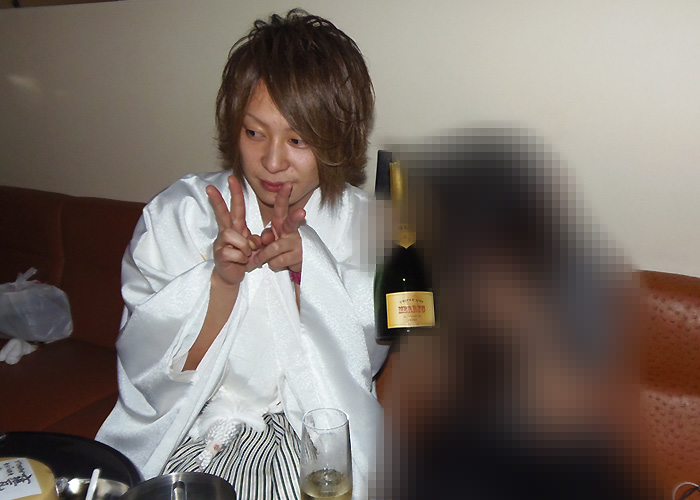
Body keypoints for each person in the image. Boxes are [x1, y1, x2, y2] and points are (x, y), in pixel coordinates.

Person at [96, 10, 388, 500]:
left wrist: (308, 272)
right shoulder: (180, 215)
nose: (272, 162)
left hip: (311, 435)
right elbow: (148, 372)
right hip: (194, 431)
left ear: (337, 138)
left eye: (297, 140)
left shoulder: (367, 225)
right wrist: (220, 284)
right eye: (255, 133)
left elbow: (365, 363)